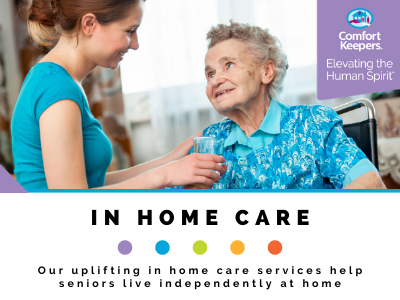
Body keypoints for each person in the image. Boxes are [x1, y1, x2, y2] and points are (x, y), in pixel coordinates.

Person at [11, 0, 226, 189]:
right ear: (89, 24)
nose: (135, 44)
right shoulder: (57, 89)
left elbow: (94, 183)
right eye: (129, 31)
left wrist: (170, 161)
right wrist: (166, 175)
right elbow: (72, 205)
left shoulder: (59, 81)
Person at [183, 21, 385, 189]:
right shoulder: (210, 141)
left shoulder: (311, 124)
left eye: (229, 65)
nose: (215, 80)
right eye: (210, 73)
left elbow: (370, 181)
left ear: (266, 72)